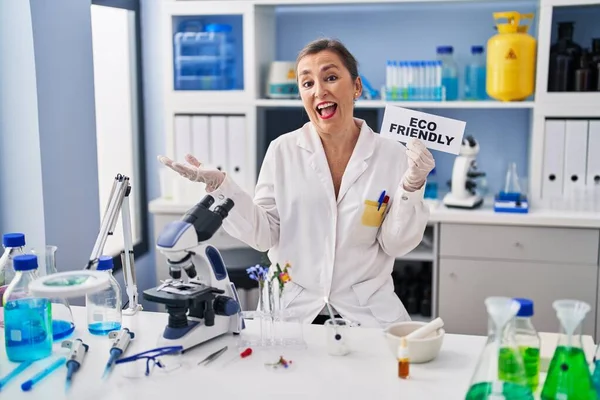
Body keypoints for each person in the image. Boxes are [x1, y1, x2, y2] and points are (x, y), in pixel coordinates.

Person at [158, 38, 435, 329]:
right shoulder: (283, 150)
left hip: (365, 314)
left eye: (330, 77)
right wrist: (222, 187)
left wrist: (412, 188)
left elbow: (396, 243)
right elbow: (264, 235)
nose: (319, 91)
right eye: (307, 83)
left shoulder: (391, 154)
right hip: (292, 314)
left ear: (356, 87)